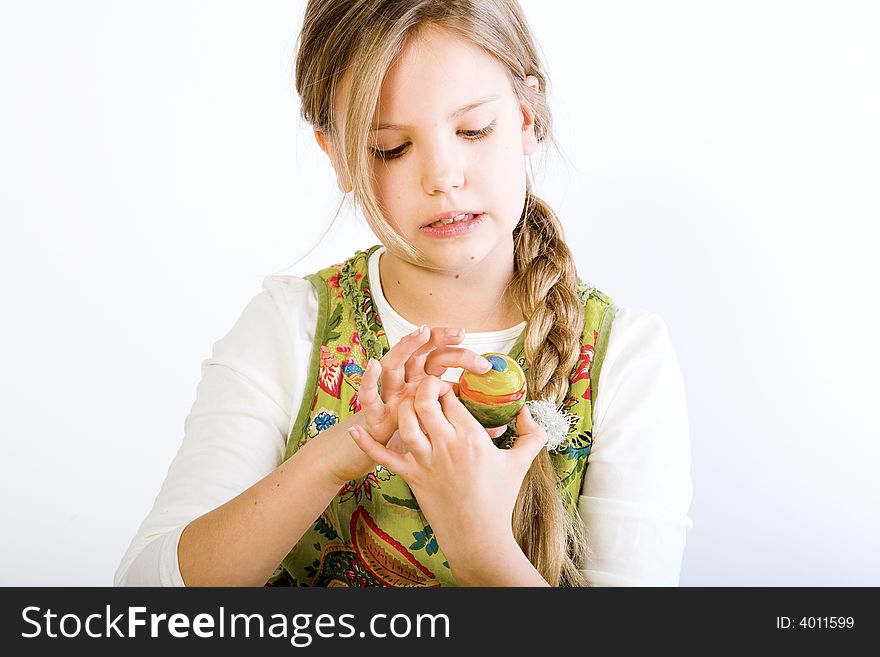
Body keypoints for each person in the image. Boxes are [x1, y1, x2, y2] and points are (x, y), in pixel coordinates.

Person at [114, 0, 692, 587]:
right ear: (336, 155)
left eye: (473, 129)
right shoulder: (288, 327)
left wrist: (480, 544)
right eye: (390, 147)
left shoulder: (624, 354)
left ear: (526, 118)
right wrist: (337, 456)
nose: (442, 175)